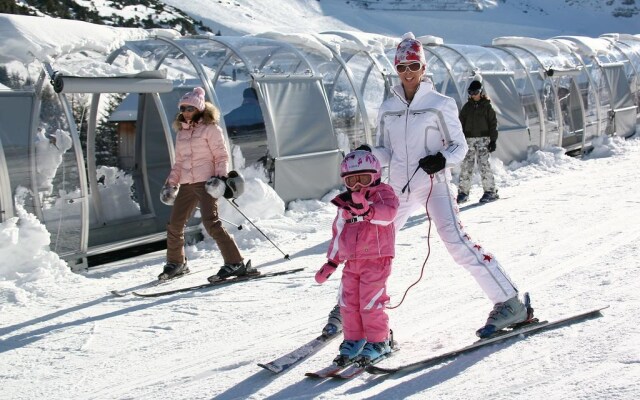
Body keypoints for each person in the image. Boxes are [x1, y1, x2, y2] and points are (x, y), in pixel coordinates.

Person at [324, 33, 530, 339]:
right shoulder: (388, 108)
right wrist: (368, 155)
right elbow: (385, 151)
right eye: (402, 66)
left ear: (423, 67)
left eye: (414, 65)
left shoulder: (440, 104)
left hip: (433, 184)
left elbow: (459, 147)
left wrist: (441, 159)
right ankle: (348, 305)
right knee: (367, 245)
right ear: (395, 69)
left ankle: (509, 302)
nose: (408, 72)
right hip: (396, 190)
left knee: (457, 242)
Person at [159, 87, 254, 281]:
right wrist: (171, 182)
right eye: (183, 108)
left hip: (206, 183)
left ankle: (235, 262)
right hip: (186, 184)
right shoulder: (181, 133)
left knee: (211, 223)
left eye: (189, 108)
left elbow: (221, 155)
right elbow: (178, 162)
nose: (185, 112)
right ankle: (176, 263)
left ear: (200, 109)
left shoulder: (211, 129)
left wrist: (219, 178)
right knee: (175, 224)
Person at [315, 150, 399, 365]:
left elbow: (388, 215)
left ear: (376, 176)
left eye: (364, 179)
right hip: (352, 262)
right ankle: (354, 340)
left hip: (377, 260)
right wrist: (332, 261)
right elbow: (339, 232)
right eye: (353, 180)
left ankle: (380, 341)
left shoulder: (383, 193)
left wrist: (368, 211)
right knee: (348, 303)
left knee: (370, 302)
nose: (359, 185)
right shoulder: (345, 204)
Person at [457, 79, 500, 204]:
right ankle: (463, 193)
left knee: (483, 165)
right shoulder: (467, 108)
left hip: (483, 140)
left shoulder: (487, 106)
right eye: (470, 92)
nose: (473, 95)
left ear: (480, 92)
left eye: (475, 92)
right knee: (466, 166)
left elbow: (493, 124)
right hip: (468, 140)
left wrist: (493, 140)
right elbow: (460, 124)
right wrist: (460, 139)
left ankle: (490, 191)